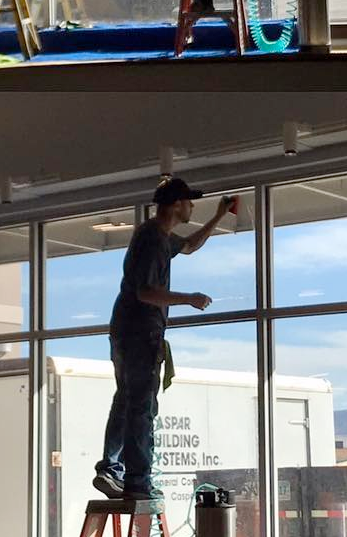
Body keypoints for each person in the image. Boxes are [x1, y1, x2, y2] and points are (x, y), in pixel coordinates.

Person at [93, 180, 240, 501]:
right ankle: (136, 480)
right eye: (189, 202)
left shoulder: (155, 236)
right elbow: (145, 292)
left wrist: (218, 217)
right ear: (176, 204)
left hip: (128, 329)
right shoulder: (152, 240)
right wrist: (189, 298)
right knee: (141, 405)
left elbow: (187, 246)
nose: (192, 208)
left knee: (127, 399)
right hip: (139, 331)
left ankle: (112, 469)